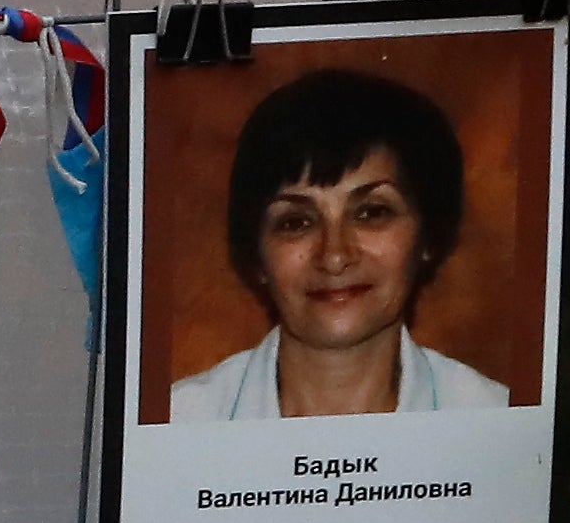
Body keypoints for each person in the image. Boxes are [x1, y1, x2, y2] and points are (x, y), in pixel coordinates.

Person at [163, 65, 516, 421]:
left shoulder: (498, 421)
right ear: (255, 253)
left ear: (428, 235)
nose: (334, 256)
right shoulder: (177, 424)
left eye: (372, 213)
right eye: (296, 222)